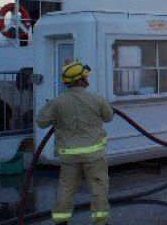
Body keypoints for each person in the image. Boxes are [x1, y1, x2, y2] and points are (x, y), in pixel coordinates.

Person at [37, 61, 113, 224]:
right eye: (85, 77)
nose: (87, 80)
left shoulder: (57, 102)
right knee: (98, 188)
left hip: (69, 157)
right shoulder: (96, 99)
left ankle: (61, 220)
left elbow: (41, 122)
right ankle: (101, 221)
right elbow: (108, 116)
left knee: (66, 188)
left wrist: (56, 116)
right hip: (94, 156)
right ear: (80, 80)